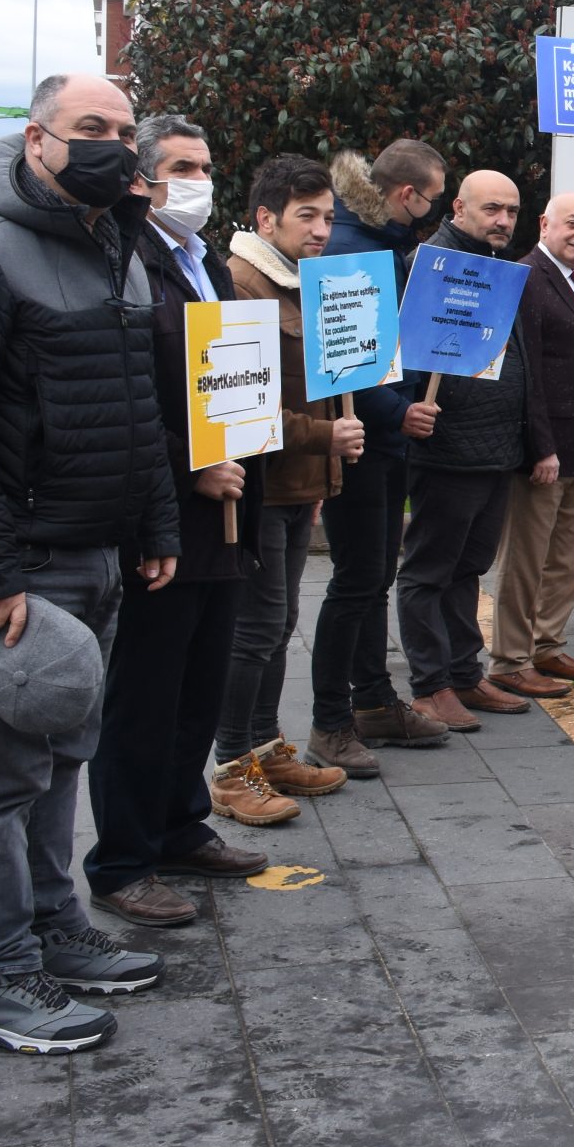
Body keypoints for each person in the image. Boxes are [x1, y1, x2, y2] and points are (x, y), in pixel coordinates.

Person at [0, 74, 178, 1050]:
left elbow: (137, 408)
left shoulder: (117, 248)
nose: (113, 145)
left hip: (94, 549)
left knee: (62, 754)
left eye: (125, 130)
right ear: (37, 140)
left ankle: (53, 926)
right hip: (12, 561)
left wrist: (154, 528)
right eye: (90, 129)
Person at [84, 114, 282, 930]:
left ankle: (178, 824)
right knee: (146, 695)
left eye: (206, 166)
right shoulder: (127, 262)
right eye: (181, 168)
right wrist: (189, 464)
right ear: (141, 178)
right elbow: (120, 395)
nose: (197, 181)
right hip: (164, 514)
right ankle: (123, 859)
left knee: (197, 688)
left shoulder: (203, 264)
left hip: (227, 511)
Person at [219, 156, 372, 782]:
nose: (320, 229)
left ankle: (266, 746)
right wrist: (325, 438)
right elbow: (238, 406)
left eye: (329, 217)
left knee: (278, 625)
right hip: (258, 487)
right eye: (306, 215)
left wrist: (322, 478)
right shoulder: (241, 281)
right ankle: (234, 762)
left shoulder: (305, 280)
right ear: (265, 217)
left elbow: (324, 384)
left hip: (295, 484)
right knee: (256, 631)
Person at [396, 171, 546, 729]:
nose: (503, 220)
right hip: (447, 447)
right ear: (458, 207)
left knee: (469, 568)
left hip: (494, 447)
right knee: (429, 570)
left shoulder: (497, 269)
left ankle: (463, 672)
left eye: (510, 210)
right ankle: (429, 685)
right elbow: (408, 352)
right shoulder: (429, 264)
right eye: (491, 209)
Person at [315, 140, 451, 755]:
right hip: (364, 440)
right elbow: (346, 364)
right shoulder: (352, 251)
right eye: (433, 199)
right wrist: (400, 412)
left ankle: (371, 701)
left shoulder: (379, 244)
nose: (433, 210)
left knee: (373, 579)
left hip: (384, 436)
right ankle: (336, 718)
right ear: (406, 195)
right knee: (358, 581)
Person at [490, 191, 574, 698]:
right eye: (572, 224)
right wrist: (540, 447)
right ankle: (510, 659)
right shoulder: (527, 279)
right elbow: (528, 375)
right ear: (545, 224)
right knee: (527, 558)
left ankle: (547, 644)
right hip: (548, 453)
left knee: (566, 557)